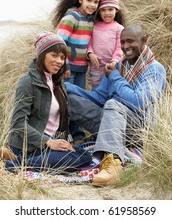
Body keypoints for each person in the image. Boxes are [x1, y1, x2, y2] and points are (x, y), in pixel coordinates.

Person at [66, 24, 166, 186]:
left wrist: (114, 77)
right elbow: (99, 97)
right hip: (111, 123)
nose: (126, 46)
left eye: (131, 41)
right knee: (70, 99)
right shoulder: (118, 66)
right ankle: (52, 142)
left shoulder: (154, 69)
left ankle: (112, 164)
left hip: (138, 131)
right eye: (123, 42)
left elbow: (138, 102)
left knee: (114, 104)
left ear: (144, 40)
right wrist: (68, 88)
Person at [4, 32, 92, 173]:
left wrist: (62, 142)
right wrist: (49, 142)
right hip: (30, 146)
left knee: (85, 156)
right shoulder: (27, 82)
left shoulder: (58, 82)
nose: (59, 61)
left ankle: (14, 160)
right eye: (54, 55)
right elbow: (18, 124)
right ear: (41, 55)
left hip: (49, 146)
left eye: (63, 58)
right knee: (74, 158)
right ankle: (11, 165)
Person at [52, 0, 102, 144]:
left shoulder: (90, 20)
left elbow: (86, 44)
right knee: (66, 102)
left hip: (82, 69)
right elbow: (59, 41)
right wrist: (64, 64)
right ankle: (65, 136)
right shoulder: (72, 16)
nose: (92, 5)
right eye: (89, 0)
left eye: (96, 2)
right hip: (67, 68)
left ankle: (77, 136)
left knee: (77, 103)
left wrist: (89, 55)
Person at [87, 0, 125, 90]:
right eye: (103, 10)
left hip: (111, 66)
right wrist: (91, 54)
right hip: (96, 66)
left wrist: (115, 60)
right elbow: (89, 43)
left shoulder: (119, 28)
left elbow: (119, 47)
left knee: (111, 88)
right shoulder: (94, 27)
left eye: (110, 9)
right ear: (99, 11)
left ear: (116, 10)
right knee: (96, 90)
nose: (107, 13)